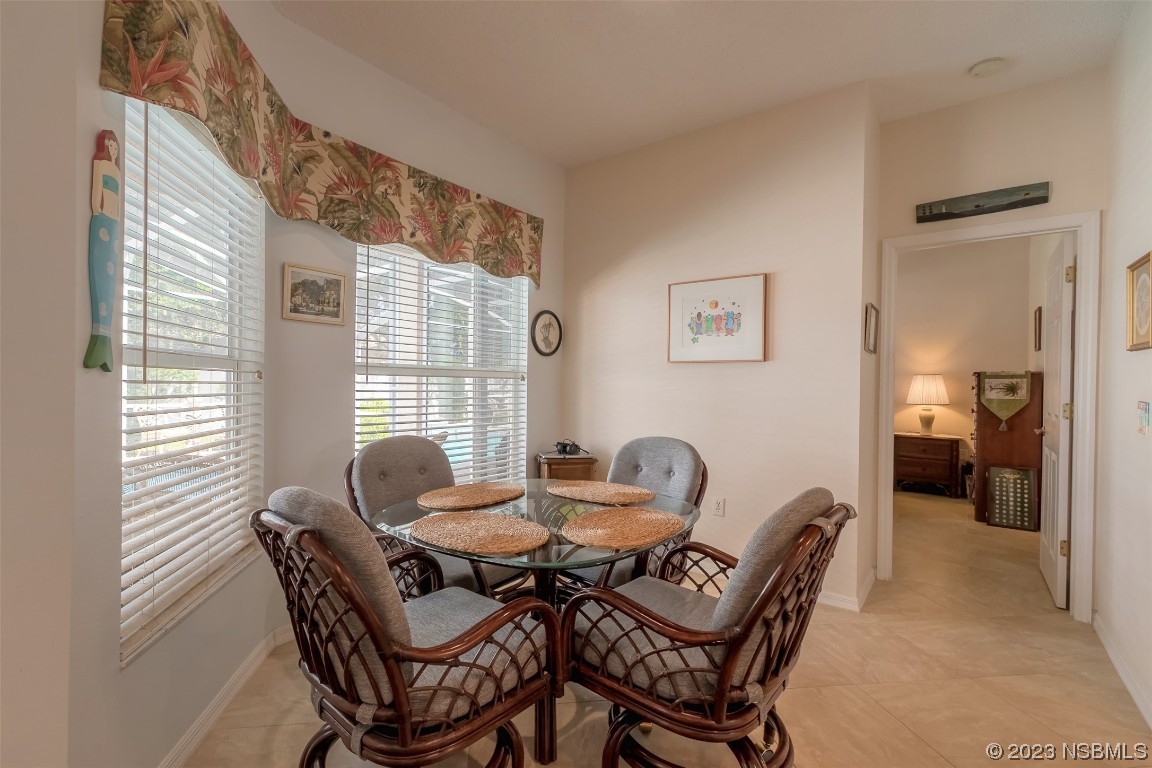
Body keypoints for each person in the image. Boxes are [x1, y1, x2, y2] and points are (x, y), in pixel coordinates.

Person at [84, 130, 120, 371]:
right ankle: (99, 336)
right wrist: (98, 208)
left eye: (116, 147)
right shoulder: (103, 167)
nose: (114, 150)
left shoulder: (117, 171)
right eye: (111, 146)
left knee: (111, 274)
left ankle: (104, 339)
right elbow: (97, 194)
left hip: (114, 222)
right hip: (103, 219)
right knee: (102, 269)